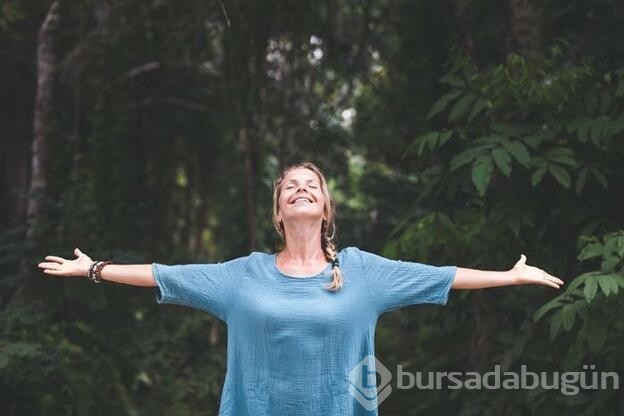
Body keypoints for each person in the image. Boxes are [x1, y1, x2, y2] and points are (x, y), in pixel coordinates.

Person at [38, 162, 563, 415]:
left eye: (311, 183)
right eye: (290, 185)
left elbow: (441, 277)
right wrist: (94, 269)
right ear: (279, 210)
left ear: (326, 207)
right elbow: (165, 274)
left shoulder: (364, 271)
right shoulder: (242, 275)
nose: (301, 188)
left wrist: (510, 275)